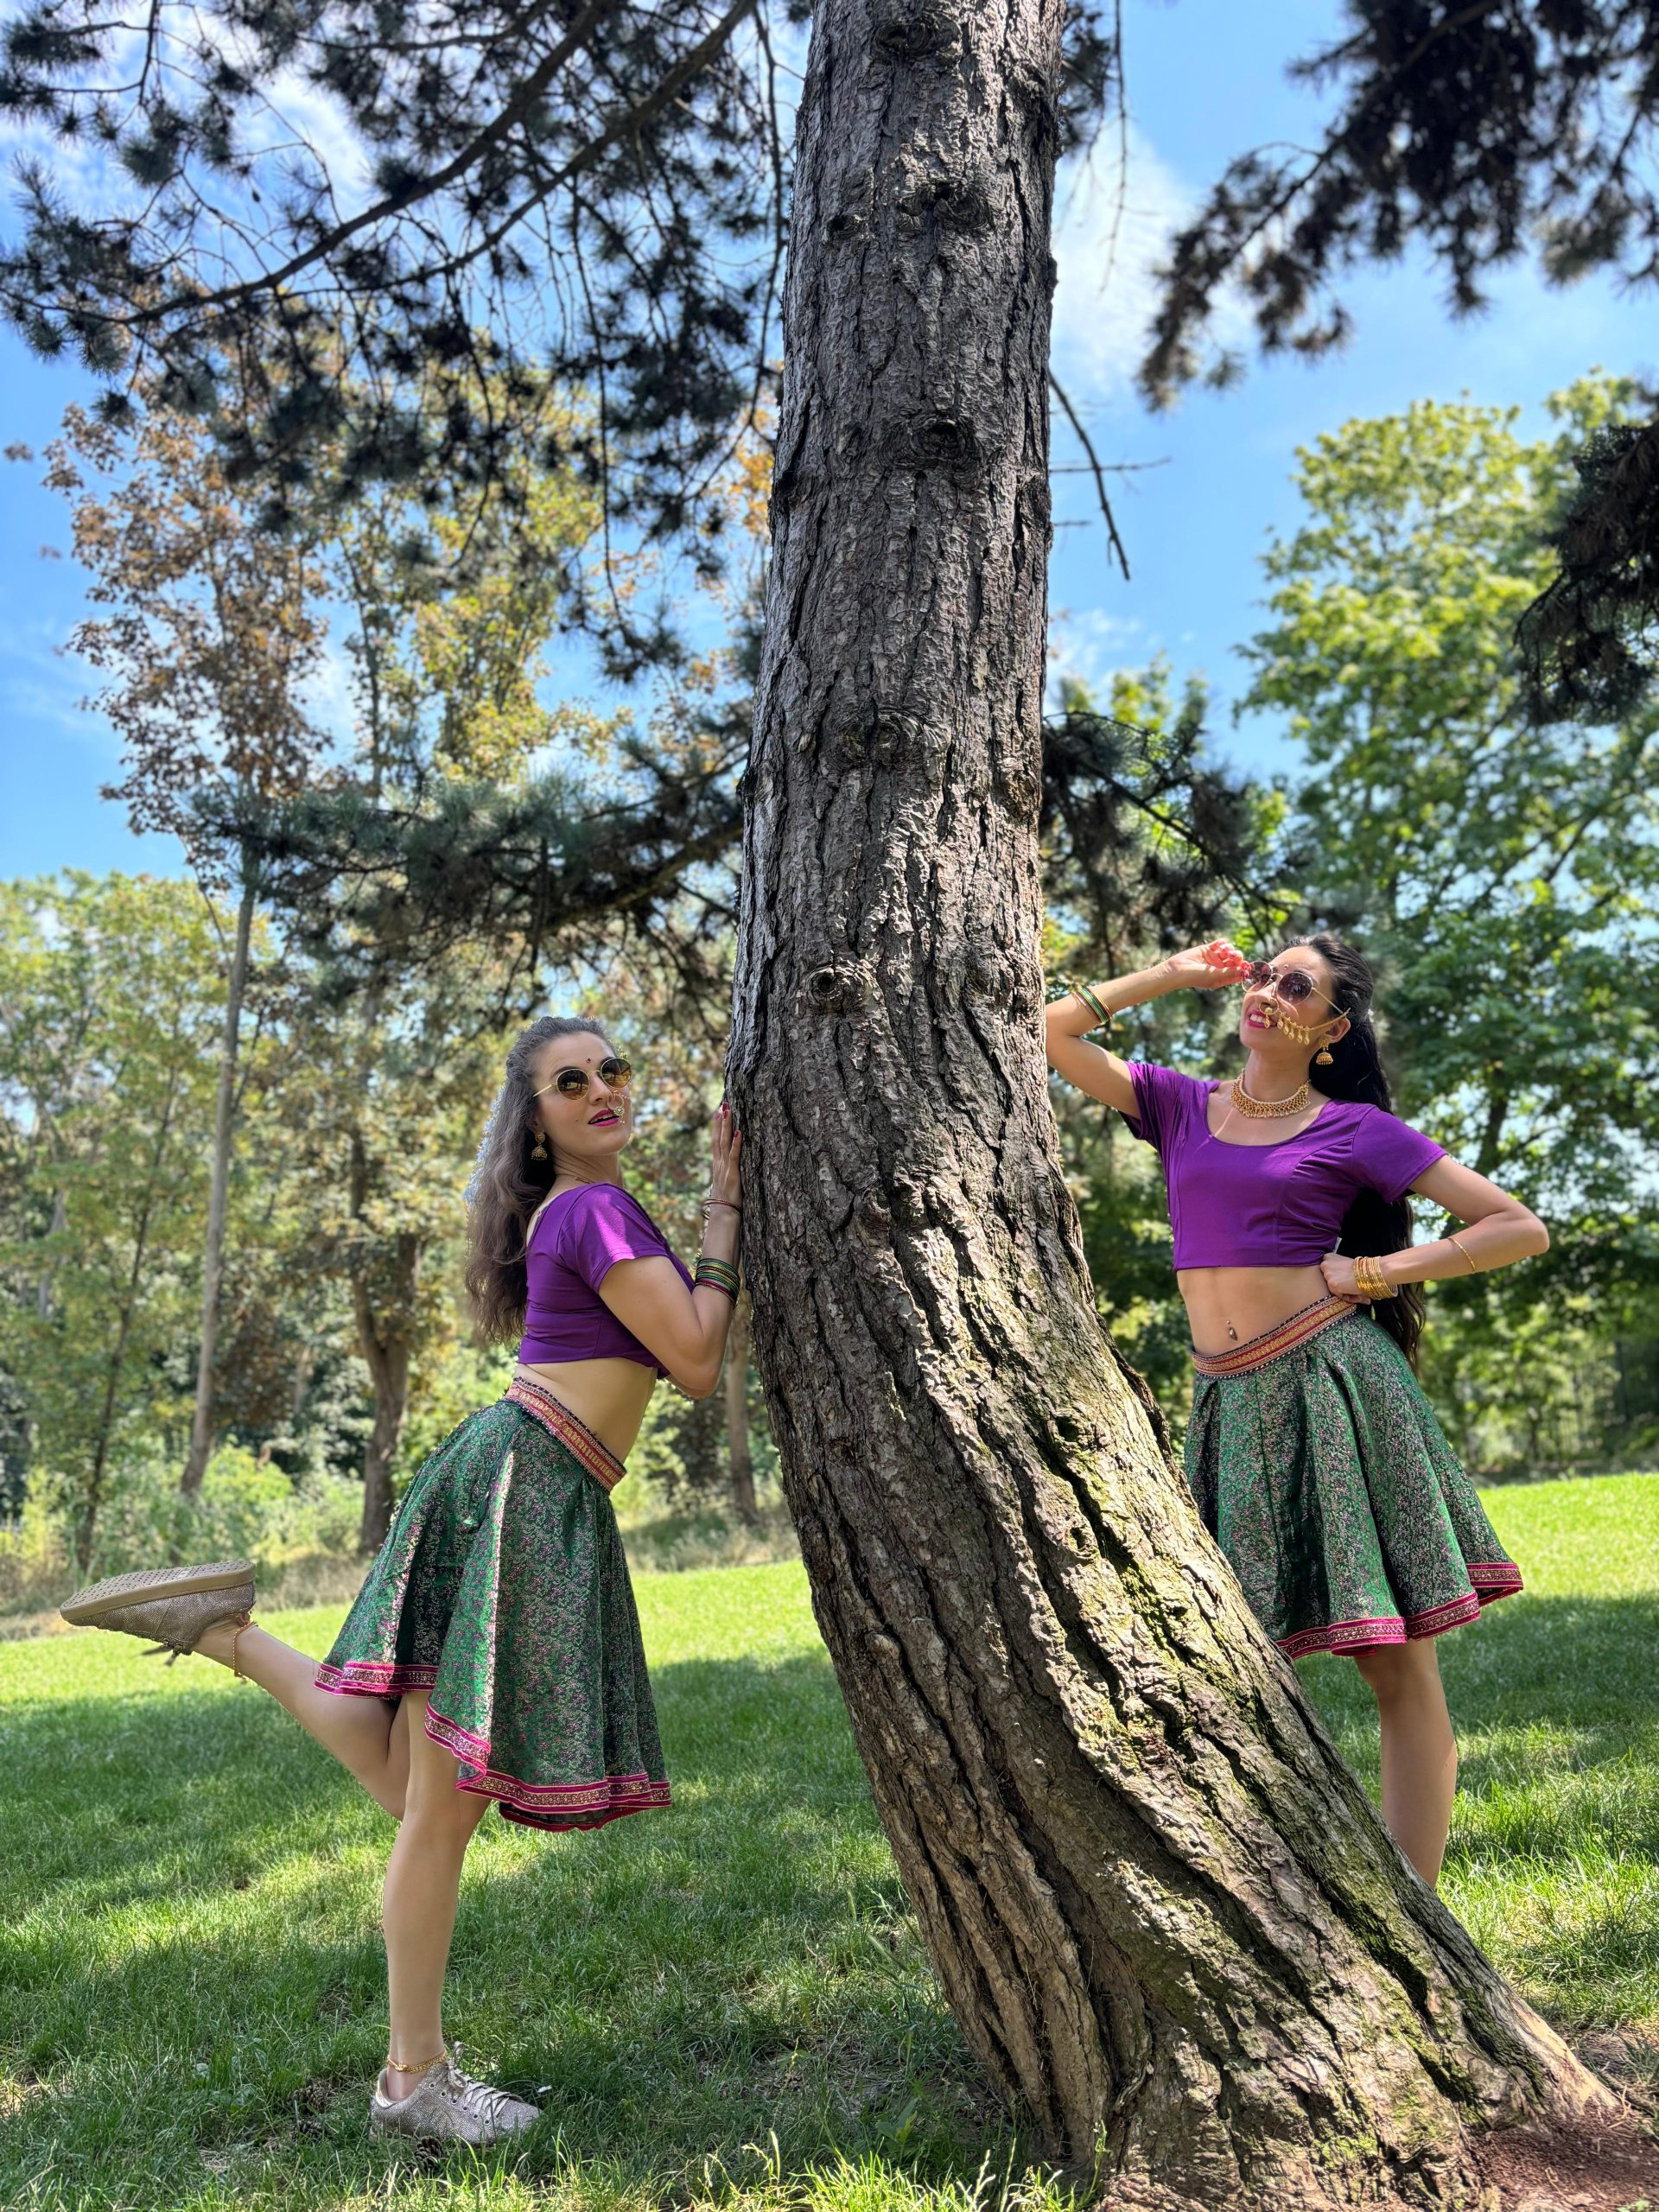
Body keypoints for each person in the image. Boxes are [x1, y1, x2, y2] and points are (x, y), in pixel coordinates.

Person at [58, 1015, 744, 2142]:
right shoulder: (592, 1210)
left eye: (612, 1069)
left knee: (410, 1788)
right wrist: (726, 1215)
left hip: (519, 1476)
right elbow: (699, 1359)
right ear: (537, 1123)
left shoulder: (590, 1211)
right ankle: (411, 2079)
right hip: (525, 1488)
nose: (601, 1088)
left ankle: (219, 1629)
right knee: (434, 1811)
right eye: (571, 1081)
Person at [1046, 935, 1541, 1887]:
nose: (1269, 991)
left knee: (1395, 1664)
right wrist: (1171, 975)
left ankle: (1419, 1907)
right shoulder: (1180, 1105)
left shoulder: (1355, 1129)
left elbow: (1517, 1226)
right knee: (1217, 1654)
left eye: (1296, 986)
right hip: (1229, 1400)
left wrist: (1375, 1272)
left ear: (1332, 1030)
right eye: (1265, 974)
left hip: (1334, 1385)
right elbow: (1049, 1033)